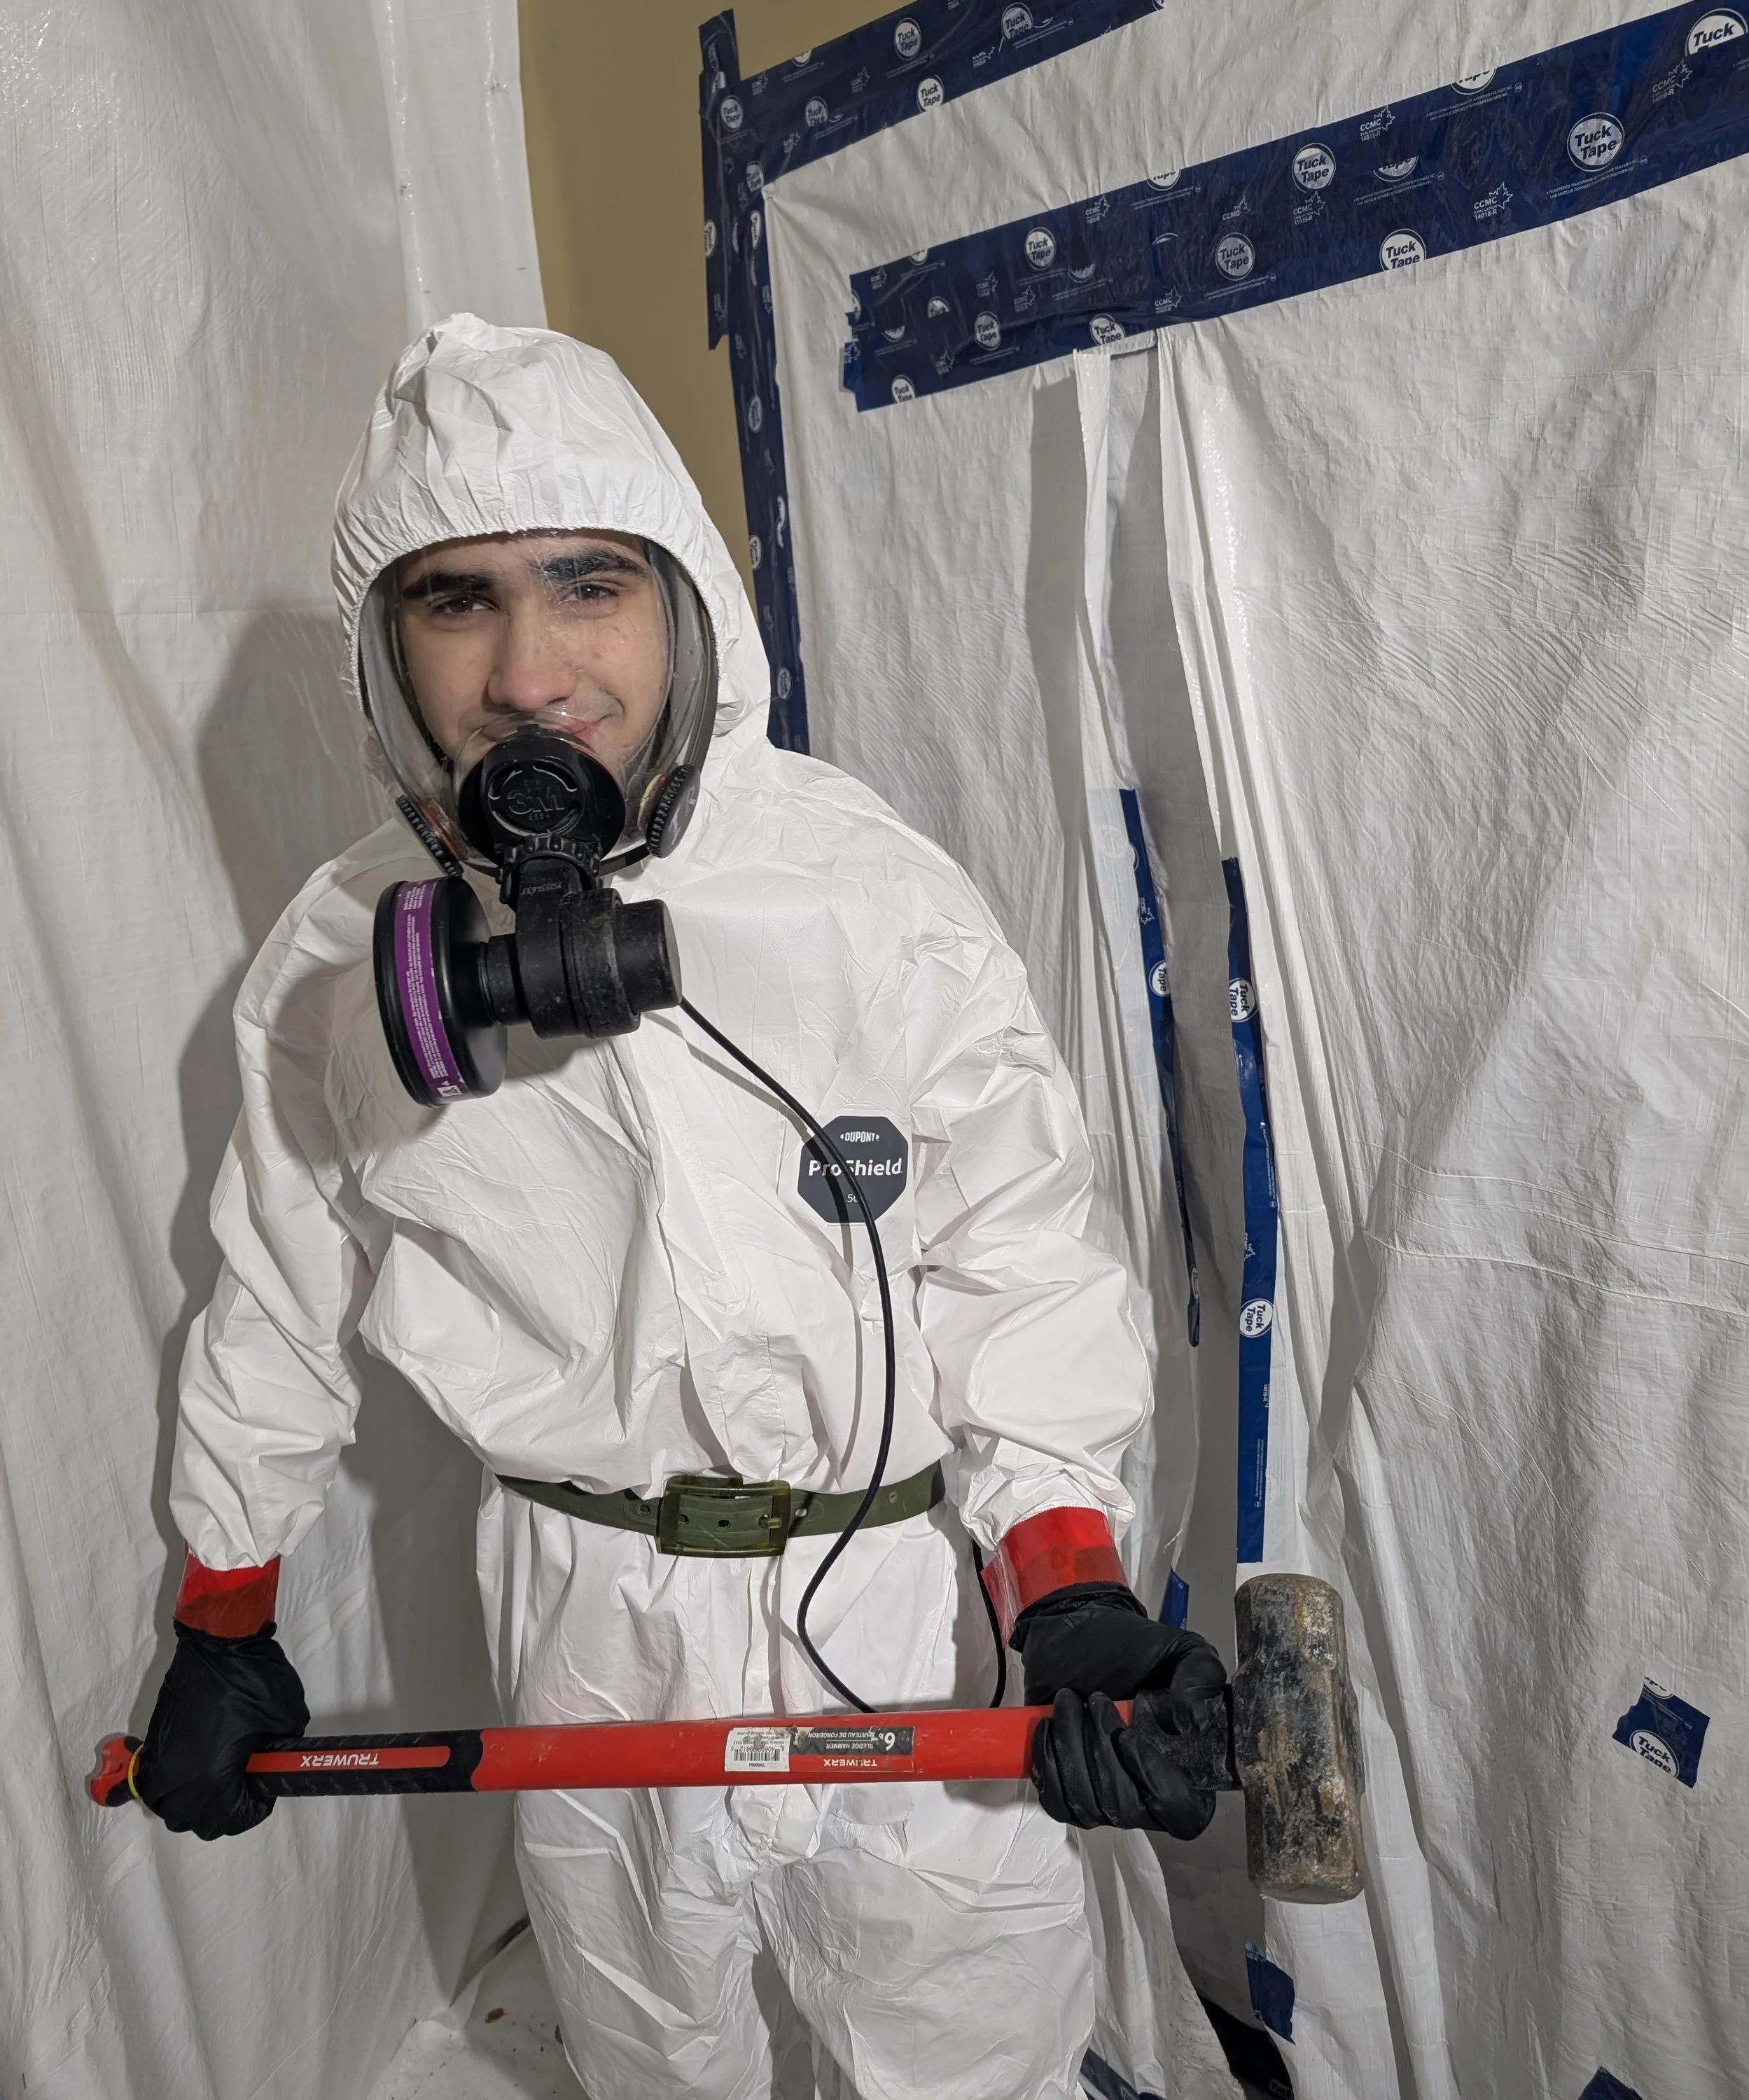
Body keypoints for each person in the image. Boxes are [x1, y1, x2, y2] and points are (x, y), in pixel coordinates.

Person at [138, 316, 1226, 2100]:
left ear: (682, 603)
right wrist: (224, 1615)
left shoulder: (859, 889)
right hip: (589, 1623)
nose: (530, 670)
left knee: (971, 2048)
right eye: (454, 599)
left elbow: (1015, 1248)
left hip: (893, 1607)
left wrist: (1066, 1593)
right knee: (656, 2055)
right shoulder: (343, 963)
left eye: (588, 582)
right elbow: (269, 1302)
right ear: (385, 645)